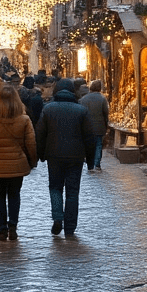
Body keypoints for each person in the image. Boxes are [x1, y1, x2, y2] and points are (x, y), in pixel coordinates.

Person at [35, 78, 97, 237]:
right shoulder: (81, 110)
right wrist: (90, 160)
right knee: (72, 191)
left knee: (55, 188)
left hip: (54, 156)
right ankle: (70, 226)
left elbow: (40, 135)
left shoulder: (48, 109)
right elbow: (90, 137)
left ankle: (57, 218)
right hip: (75, 157)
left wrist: (41, 154)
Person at [0, 84, 37, 241]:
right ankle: (13, 227)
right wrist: (32, 161)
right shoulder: (24, 119)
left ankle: (2, 229)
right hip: (17, 164)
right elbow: (31, 143)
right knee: (14, 195)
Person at [78, 79, 110, 171]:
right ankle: (97, 163)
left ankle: (90, 163)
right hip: (99, 126)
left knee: (88, 145)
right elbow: (105, 113)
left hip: (87, 126)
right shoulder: (102, 99)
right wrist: (106, 124)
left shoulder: (83, 99)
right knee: (98, 145)